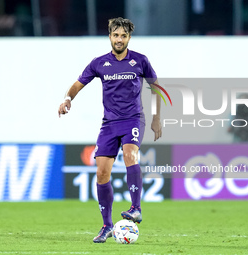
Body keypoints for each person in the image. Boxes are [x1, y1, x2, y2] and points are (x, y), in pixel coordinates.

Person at [58, 17, 162, 243]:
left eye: (123, 36)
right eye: (116, 35)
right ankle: (106, 225)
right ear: (110, 37)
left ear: (129, 38)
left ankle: (136, 208)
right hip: (109, 124)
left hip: (133, 119)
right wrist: (68, 99)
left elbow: (156, 88)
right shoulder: (99, 63)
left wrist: (156, 118)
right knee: (102, 172)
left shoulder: (140, 61)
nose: (119, 39)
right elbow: (78, 84)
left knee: (130, 154)